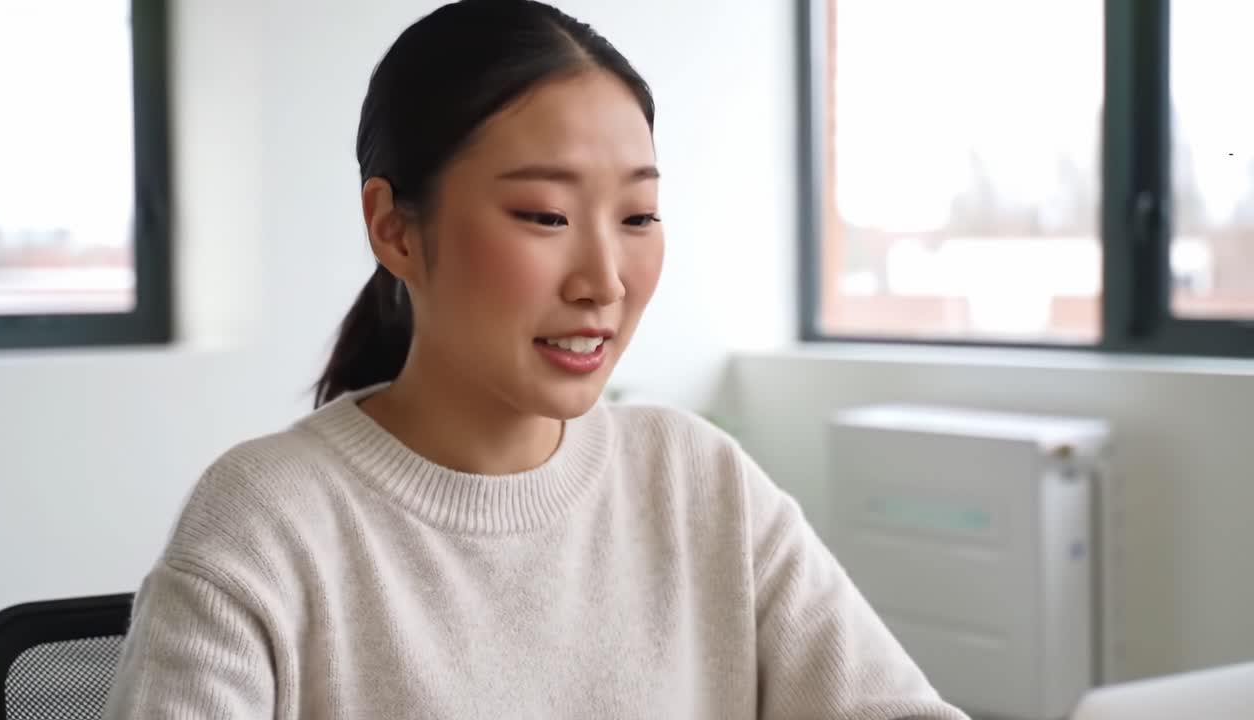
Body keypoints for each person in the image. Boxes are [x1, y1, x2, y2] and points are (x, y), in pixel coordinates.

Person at [103, 1, 968, 718]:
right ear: (394, 229)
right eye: (545, 216)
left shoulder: (698, 482)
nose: (604, 281)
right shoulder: (264, 525)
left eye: (638, 217)